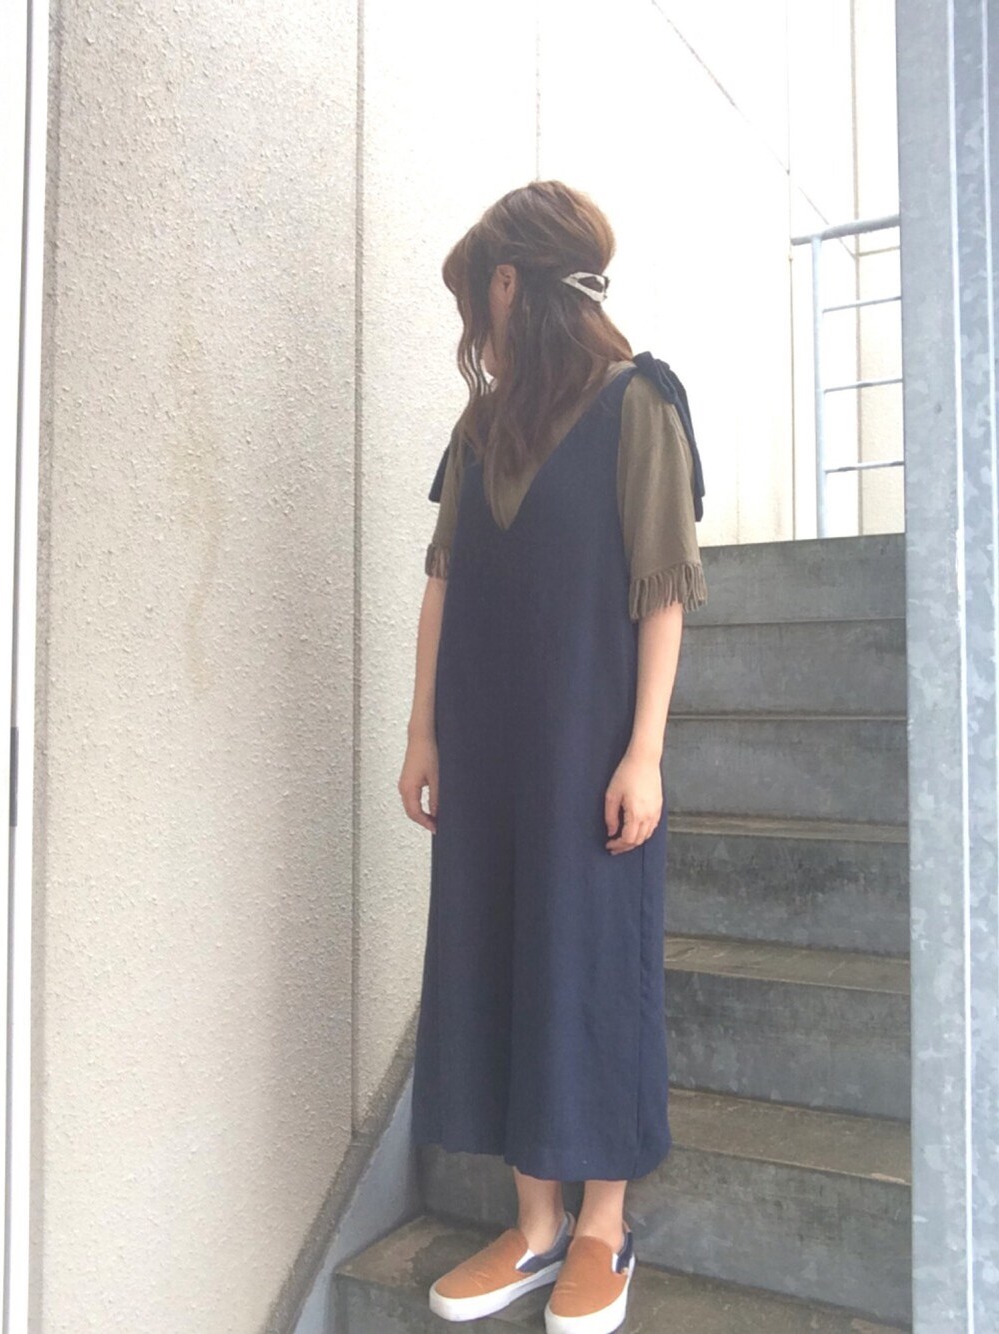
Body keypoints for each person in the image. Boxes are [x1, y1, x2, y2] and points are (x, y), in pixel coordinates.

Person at [397, 179, 707, 1334]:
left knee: (591, 965)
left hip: (588, 745)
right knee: (497, 955)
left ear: (508, 285)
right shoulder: (479, 429)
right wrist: (422, 730)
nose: (471, 321)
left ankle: (600, 1227)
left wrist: (644, 751)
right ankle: (533, 1224)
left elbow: (662, 589)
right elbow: (441, 582)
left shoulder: (638, 404)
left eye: (474, 296)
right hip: (485, 748)